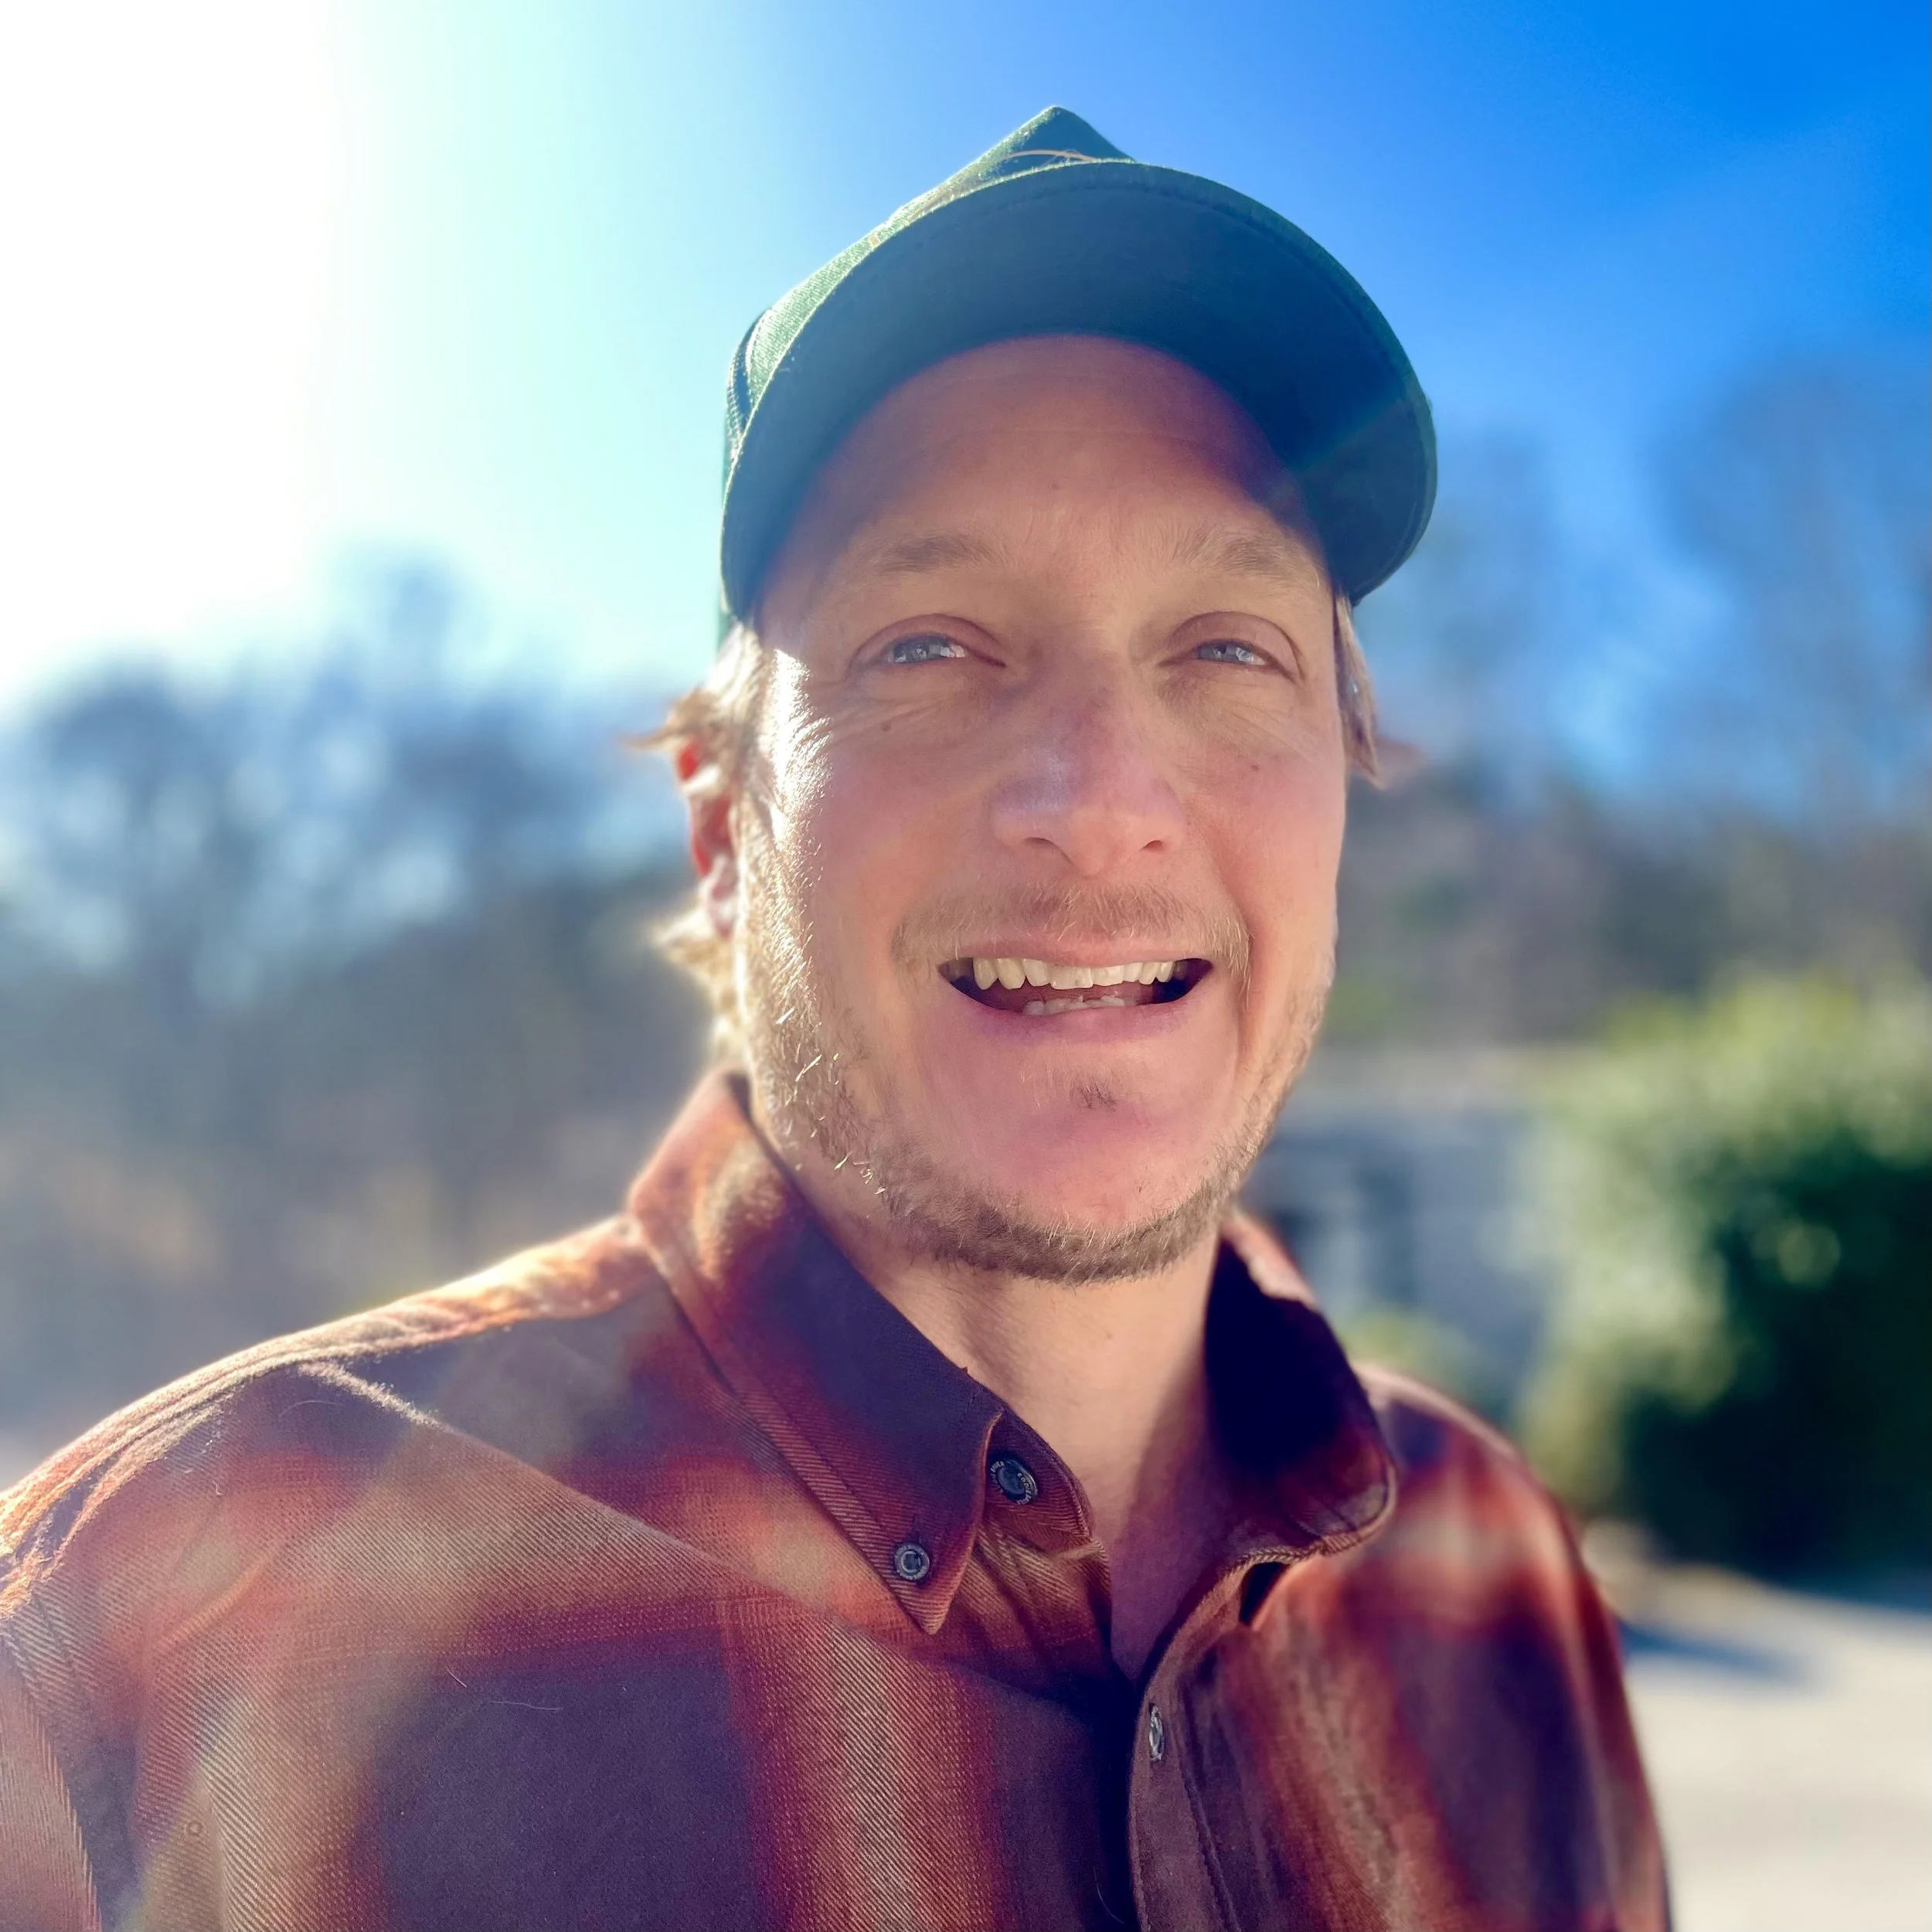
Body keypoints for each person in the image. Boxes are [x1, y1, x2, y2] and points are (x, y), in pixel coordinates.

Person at [0, 109, 1665, 1931]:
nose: (1100, 798)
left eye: (1226, 646)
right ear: (725, 840)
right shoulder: (143, 1646)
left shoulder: (1494, 1570)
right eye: (928, 646)